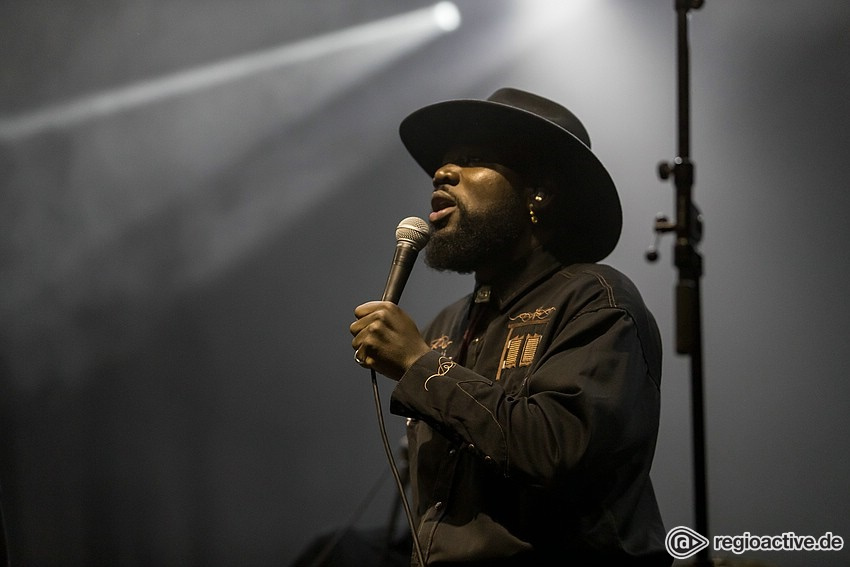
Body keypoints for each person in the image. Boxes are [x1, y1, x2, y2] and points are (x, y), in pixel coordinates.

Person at [349, 88, 671, 566]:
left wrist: (420, 367)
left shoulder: (595, 300)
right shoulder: (446, 325)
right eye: (442, 163)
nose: (441, 172)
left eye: (473, 159)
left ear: (538, 193)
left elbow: (555, 449)